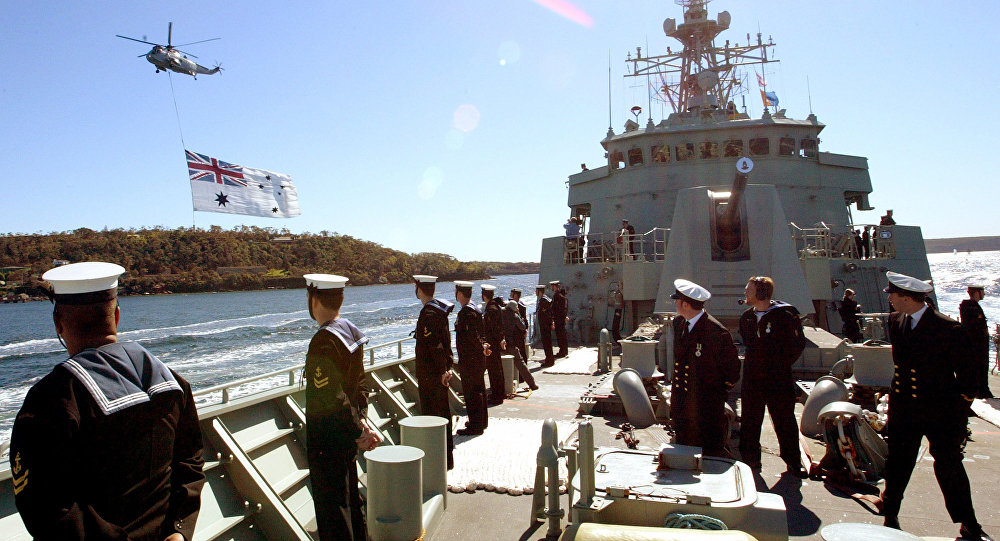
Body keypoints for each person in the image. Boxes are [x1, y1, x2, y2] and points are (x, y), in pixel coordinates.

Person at [10, 262, 205, 540]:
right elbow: (190, 461)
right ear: (116, 315)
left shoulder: (51, 399)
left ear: (58, 324)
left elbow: (46, 508)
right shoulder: (172, 382)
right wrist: (179, 529)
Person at [879, 272, 991, 540]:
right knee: (898, 463)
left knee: (949, 465)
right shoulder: (896, 321)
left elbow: (968, 379)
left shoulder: (947, 328)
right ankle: (890, 512)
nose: (890, 299)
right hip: (905, 409)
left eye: (893, 295)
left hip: (939, 412)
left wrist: (958, 416)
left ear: (907, 297)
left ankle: (968, 522)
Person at [302, 273, 381, 541]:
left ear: (313, 299)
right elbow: (360, 384)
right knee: (351, 504)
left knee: (333, 512)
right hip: (348, 434)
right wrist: (361, 424)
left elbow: (332, 396)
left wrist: (357, 430)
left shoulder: (324, 340)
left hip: (328, 439)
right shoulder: (349, 331)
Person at [738, 276, 808, 477]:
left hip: (778, 378)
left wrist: (780, 365)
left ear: (760, 293)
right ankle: (750, 460)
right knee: (750, 420)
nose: (745, 292)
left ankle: (793, 462)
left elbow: (797, 344)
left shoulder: (785, 315)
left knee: (784, 420)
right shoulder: (747, 317)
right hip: (753, 378)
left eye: (748, 290)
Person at [670, 279, 740, 458]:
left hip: (705, 405)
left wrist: (715, 393)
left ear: (685, 304)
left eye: (677, 301)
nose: (675, 304)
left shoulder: (715, 331)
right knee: (684, 445)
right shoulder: (679, 324)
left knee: (708, 451)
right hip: (682, 401)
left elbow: (732, 370)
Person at [412, 274, 455, 469]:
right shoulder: (439, 310)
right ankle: (446, 459)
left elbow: (435, 346)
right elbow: (446, 343)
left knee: (433, 415)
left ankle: (438, 461)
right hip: (439, 372)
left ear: (419, 289)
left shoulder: (428, 313)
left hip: (431, 375)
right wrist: (448, 366)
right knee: (443, 413)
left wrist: (441, 371)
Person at [454, 281, 489, 435]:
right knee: (480, 389)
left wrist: (480, 347)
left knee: (472, 392)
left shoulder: (465, 313)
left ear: (460, 294)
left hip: (470, 359)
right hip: (478, 358)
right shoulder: (476, 310)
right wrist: (484, 346)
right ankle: (481, 421)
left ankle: (475, 425)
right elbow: (480, 334)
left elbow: (471, 337)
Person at [960, 285, 994, 399]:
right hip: (976, 345)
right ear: (976, 293)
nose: (984, 294)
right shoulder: (969, 307)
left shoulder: (974, 306)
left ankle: (983, 390)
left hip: (980, 344)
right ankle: (980, 391)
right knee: (978, 367)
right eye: (982, 292)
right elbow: (972, 327)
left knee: (982, 367)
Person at [503, 299, 538, 391]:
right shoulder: (515, 316)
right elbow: (522, 327)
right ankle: (532, 384)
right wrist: (518, 314)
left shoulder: (501, 313)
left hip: (499, 343)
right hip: (510, 343)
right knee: (520, 363)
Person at [481, 284, 507, 405]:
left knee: (494, 370)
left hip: (492, 343)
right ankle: (500, 393)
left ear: (484, 295)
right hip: (496, 342)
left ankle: (497, 396)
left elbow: (491, 328)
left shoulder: (490, 309)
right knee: (497, 369)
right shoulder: (496, 306)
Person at [535, 285, 556, 367]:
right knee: (547, 343)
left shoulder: (543, 301)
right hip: (546, 324)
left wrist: (549, 323)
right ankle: (549, 359)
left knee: (546, 343)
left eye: (536, 291)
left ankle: (549, 361)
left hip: (545, 325)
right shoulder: (546, 299)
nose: (536, 292)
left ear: (539, 291)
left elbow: (546, 314)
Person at [550, 280, 569, 358]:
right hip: (560, 318)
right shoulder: (560, 295)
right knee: (562, 335)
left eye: (552, 286)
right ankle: (564, 350)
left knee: (560, 335)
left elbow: (559, 308)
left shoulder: (558, 296)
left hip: (559, 319)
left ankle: (562, 351)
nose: (551, 287)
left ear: (555, 286)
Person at [611, 282, 625, 347]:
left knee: (615, 325)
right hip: (618, 309)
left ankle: (619, 342)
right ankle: (619, 342)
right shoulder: (618, 293)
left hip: (618, 310)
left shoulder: (619, 293)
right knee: (615, 326)